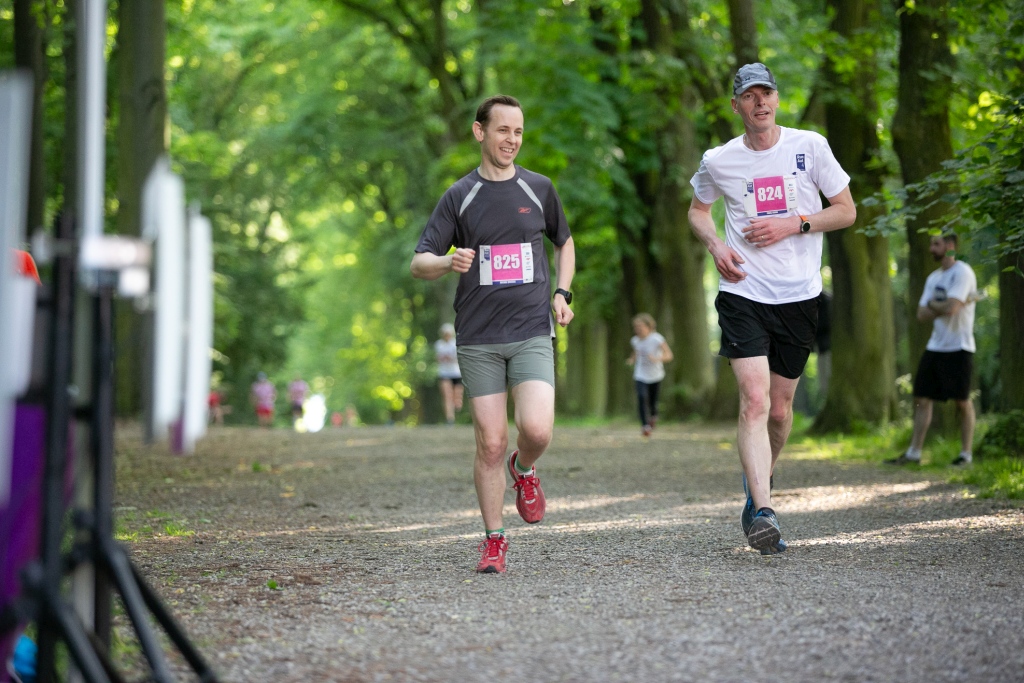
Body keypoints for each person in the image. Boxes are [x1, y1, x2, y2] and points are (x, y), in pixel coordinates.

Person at [687, 63, 856, 555]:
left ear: (777, 99)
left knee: (780, 412)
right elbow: (697, 211)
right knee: (755, 400)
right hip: (743, 292)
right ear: (736, 105)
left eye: (766, 93)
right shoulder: (719, 160)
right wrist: (716, 246)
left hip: (799, 296)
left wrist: (794, 223)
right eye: (749, 95)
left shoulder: (810, 146)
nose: (760, 102)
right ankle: (764, 511)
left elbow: (846, 211)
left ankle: (758, 481)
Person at [411, 94, 576, 574]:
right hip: (479, 337)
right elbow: (419, 262)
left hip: (531, 329)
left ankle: (523, 469)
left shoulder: (538, 188)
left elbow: (564, 242)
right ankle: (494, 540)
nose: (512, 140)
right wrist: (448, 261)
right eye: (503, 130)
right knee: (489, 442)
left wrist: (562, 292)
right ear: (479, 131)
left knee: (537, 430)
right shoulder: (459, 196)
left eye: (518, 132)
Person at [887, 233, 978, 466]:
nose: (931, 249)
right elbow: (921, 313)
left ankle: (966, 455)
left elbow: (952, 309)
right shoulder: (933, 278)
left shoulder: (963, 272)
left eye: (936, 244)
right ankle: (914, 453)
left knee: (962, 400)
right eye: (931, 244)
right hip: (935, 346)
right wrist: (943, 305)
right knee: (922, 397)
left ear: (950, 246)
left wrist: (936, 305)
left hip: (959, 346)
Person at [627, 313, 673, 437]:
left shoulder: (657, 339)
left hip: (655, 375)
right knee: (642, 397)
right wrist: (631, 360)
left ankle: (653, 416)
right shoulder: (635, 340)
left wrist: (657, 359)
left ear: (649, 327)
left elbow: (669, 355)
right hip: (640, 374)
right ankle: (645, 426)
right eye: (636, 327)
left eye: (640, 326)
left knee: (653, 401)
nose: (638, 329)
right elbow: (636, 352)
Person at [435, 323, 464, 424]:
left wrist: (451, 358)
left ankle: (457, 406)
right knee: (447, 396)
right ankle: (450, 418)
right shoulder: (439, 344)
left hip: (456, 373)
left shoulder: (455, 344)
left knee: (457, 398)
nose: (447, 336)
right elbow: (437, 358)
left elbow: (460, 358)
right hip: (444, 373)